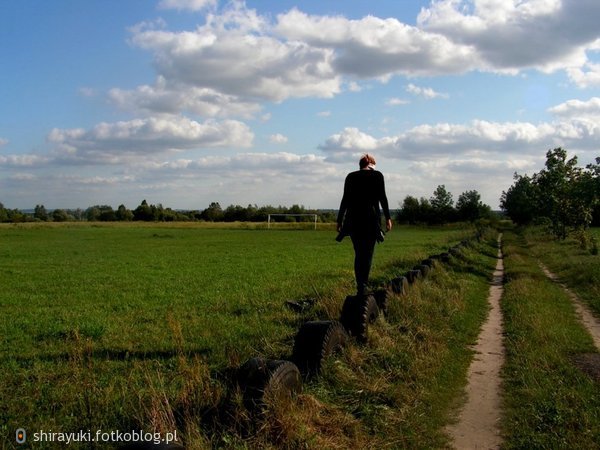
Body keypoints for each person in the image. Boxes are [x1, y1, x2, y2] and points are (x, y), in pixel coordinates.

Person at [337, 153, 392, 295]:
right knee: (367, 255)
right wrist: (388, 218)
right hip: (371, 221)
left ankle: (360, 286)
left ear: (360, 165)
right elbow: (383, 198)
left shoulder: (351, 176)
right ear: (372, 165)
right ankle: (363, 286)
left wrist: (339, 220)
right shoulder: (377, 175)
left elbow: (345, 199)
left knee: (359, 253)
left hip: (353, 221)